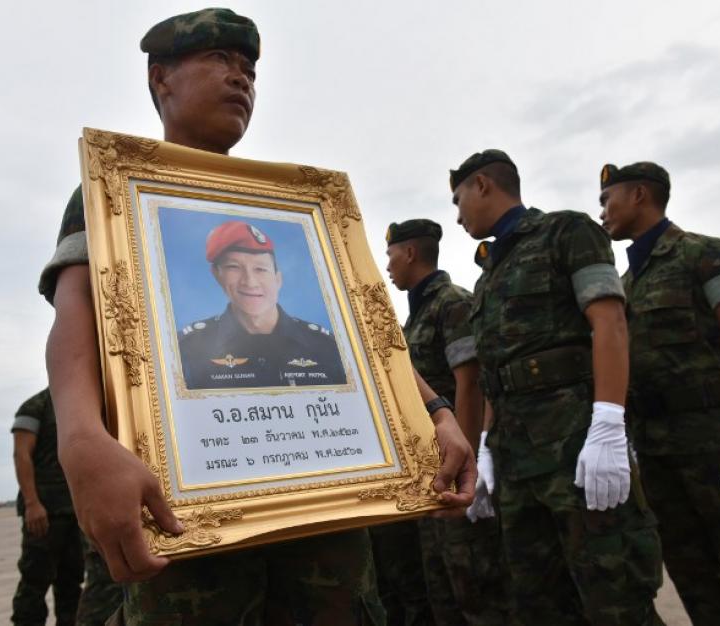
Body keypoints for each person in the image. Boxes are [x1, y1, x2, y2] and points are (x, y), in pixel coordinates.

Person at [38, 9, 475, 624]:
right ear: (161, 79)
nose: (240, 78)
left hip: (326, 520)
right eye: (218, 61)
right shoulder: (114, 191)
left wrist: (434, 411)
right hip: (192, 524)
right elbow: (75, 321)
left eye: (248, 70)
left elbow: (360, 335)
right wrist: (81, 440)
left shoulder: (293, 207)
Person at [455, 150, 663, 625]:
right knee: (538, 600)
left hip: (574, 448)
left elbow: (609, 321)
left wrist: (609, 422)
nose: (459, 213)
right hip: (515, 457)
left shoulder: (566, 232)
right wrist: (486, 445)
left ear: (483, 185)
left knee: (615, 596)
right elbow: (496, 372)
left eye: (459, 198)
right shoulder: (488, 276)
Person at [598, 161, 720, 624]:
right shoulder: (624, 286)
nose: (603, 211)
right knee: (694, 578)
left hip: (717, 442)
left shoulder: (707, 255)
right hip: (660, 451)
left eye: (609, 199)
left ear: (641, 195)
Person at [379, 218, 510, 625]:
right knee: (440, 592)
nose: (387, 265)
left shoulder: (451, 303)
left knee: (476, 588)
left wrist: (472, 460)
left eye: (390, 254)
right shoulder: (413, 315)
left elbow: (471, 383)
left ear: (410, 253)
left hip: (458, 466)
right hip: (433, 470)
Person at [177, 219, 347, 389]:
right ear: (217, 275)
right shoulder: (187, 350)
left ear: (278, 279)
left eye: (260, 269)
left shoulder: (327, 347)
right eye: (234, 267)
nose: (250, 282)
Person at [11, 388, 83, 626]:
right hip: (45, 513)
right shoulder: (35, 406)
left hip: (76, 513)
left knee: (71, 582)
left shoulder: (80, 406)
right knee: (34, 582)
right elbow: (22, 455)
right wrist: (32, 503)